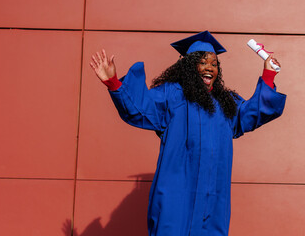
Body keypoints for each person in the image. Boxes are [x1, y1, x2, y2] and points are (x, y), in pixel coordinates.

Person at [89, 31, 286, 236]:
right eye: (202, 62)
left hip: (213, 197)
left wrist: (269, 74)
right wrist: (113, 82)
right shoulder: (171, 95)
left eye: (214, 64)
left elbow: (252, 113)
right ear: (190, 66)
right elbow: (140, 108)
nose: (209, 67)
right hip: (176, 193)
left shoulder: (226, 103)